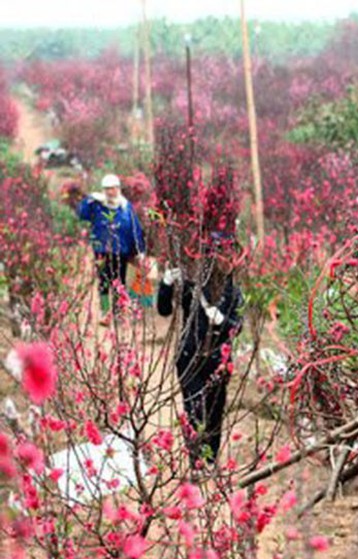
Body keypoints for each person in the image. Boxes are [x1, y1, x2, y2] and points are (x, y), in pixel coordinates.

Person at [157, 232, 243, 468]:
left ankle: (210, 459)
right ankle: (196, 461)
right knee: (194, 409)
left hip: (218, 360)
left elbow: (238, 325)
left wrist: (223, 320)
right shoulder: (191, 288)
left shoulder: (233, 292)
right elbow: (163, 309)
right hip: (189, 358)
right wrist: (165, 283)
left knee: (215, 412)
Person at [77, 174, 146, 326]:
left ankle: (118, 313)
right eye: (107, 189)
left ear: (118, 189)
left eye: (113, 189)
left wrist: (139, 250)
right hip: (101, 250)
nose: (110, 192)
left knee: (119, 282)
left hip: (121, 251)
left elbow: (135, 229)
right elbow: (82, 214)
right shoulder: (97, 205)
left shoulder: (125, 207)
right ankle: (105, 312)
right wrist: (89, 200)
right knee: (103, 281)